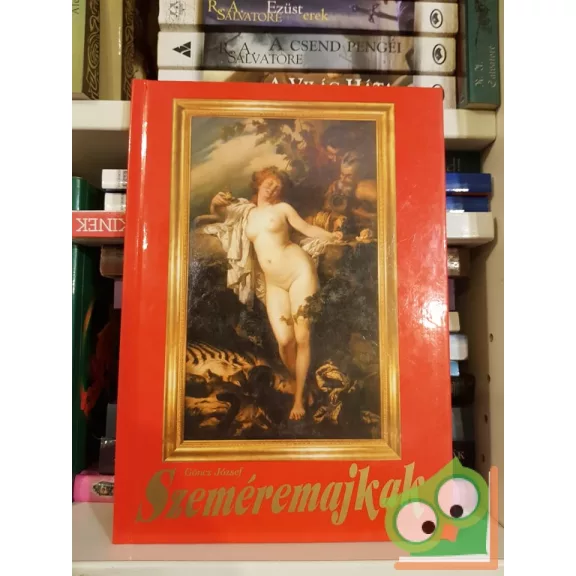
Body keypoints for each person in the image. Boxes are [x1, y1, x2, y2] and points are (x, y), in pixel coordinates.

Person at [207, 167, 342, 420]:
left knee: (302, 336)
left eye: (278, 186)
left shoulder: (283, 209)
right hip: (274, 283)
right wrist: (215, 203)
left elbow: (306, 228)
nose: (273, 188)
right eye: (269, 182)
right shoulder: (245, 212)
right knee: (285, 341)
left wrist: (332, 236)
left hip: (299, 271)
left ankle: (298, 399)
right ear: (259, 184)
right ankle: (304, 384)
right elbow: (218, 215)